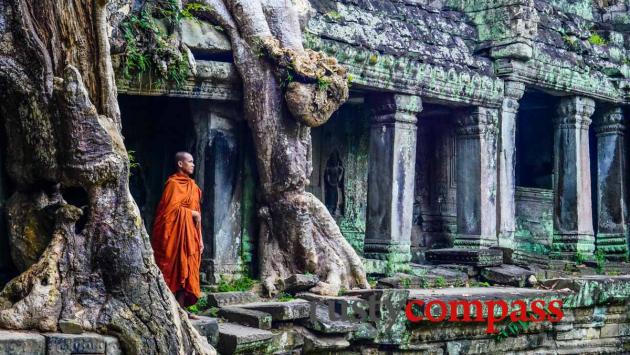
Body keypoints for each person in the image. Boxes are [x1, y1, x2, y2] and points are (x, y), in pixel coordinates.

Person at [151, 151, 204, 318]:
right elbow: (166, 214)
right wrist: (190, 213)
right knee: (174, 270)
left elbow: (199, 215)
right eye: (190, 161)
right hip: (174, 236)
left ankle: (182, 310)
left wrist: (200, 239)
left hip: (190, 236)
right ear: (180, 164)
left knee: (186, 271)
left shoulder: (194, 187)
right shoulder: (173, 184)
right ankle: (169, 308)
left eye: (193, 162)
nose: (193, 164)